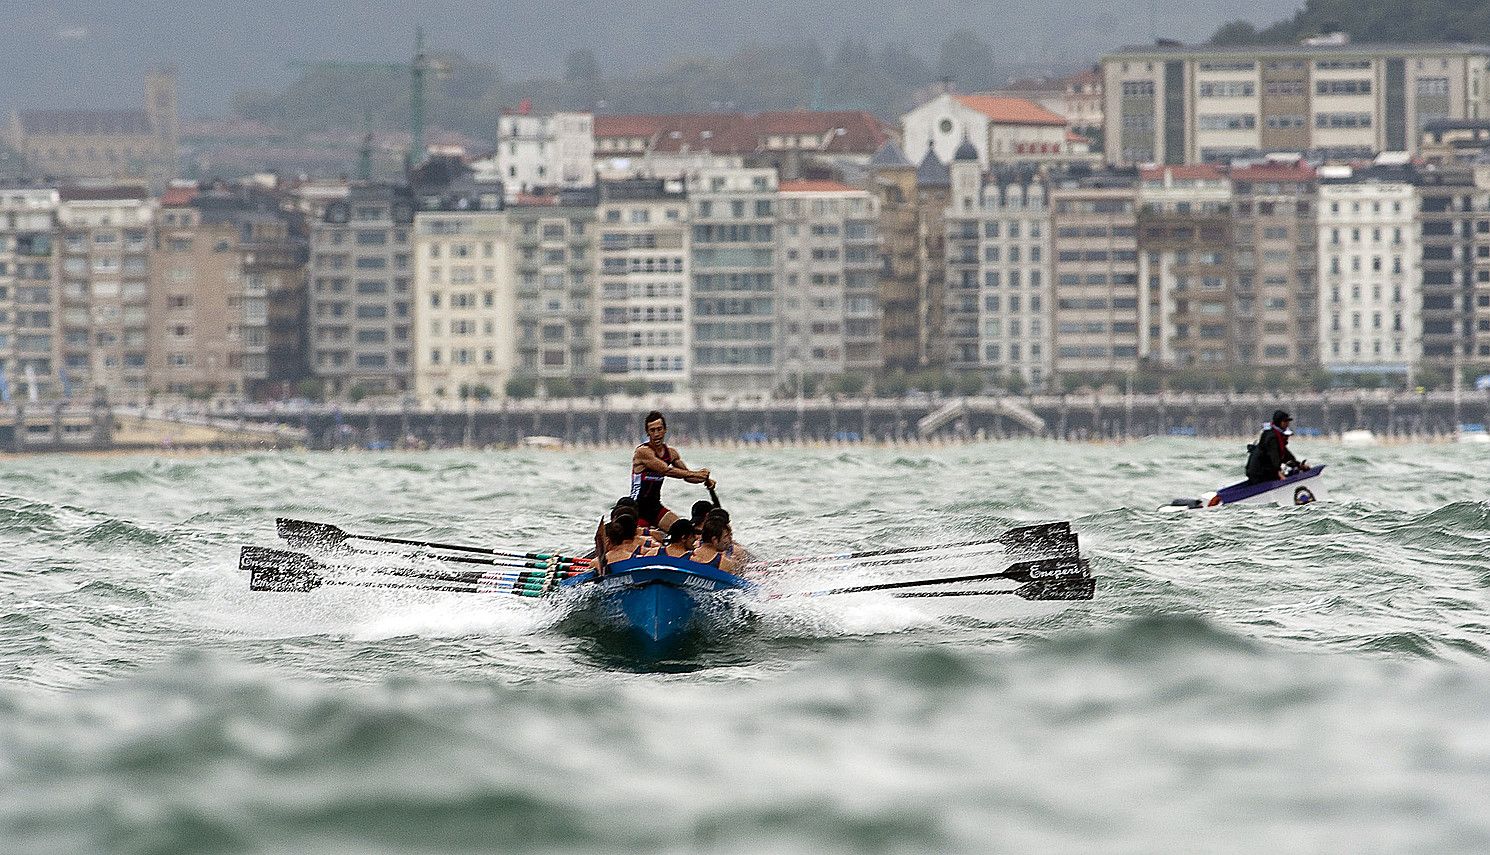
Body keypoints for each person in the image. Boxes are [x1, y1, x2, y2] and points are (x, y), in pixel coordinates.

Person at [632, 410, 714, 530]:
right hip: (637, 509)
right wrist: (697, 473)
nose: (656, 434)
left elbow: (687, 477)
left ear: (665, 430)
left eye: (659, 429)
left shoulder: (671, 453)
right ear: (647, 433)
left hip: (656, 508)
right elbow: (666, 470)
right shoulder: (643, 452)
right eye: (652, 430)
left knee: (685, 531)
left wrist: (705, 479)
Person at [1245, 409, 1308, 484]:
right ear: (1280, 422)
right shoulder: (1272, 437)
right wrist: (1279, 474)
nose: (1287, 424)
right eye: (1285, 421)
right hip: (1258, 473)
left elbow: (1286, 456)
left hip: (1262, 471)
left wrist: (1299, 465)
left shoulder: (1275, 434)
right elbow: (1274, 457)